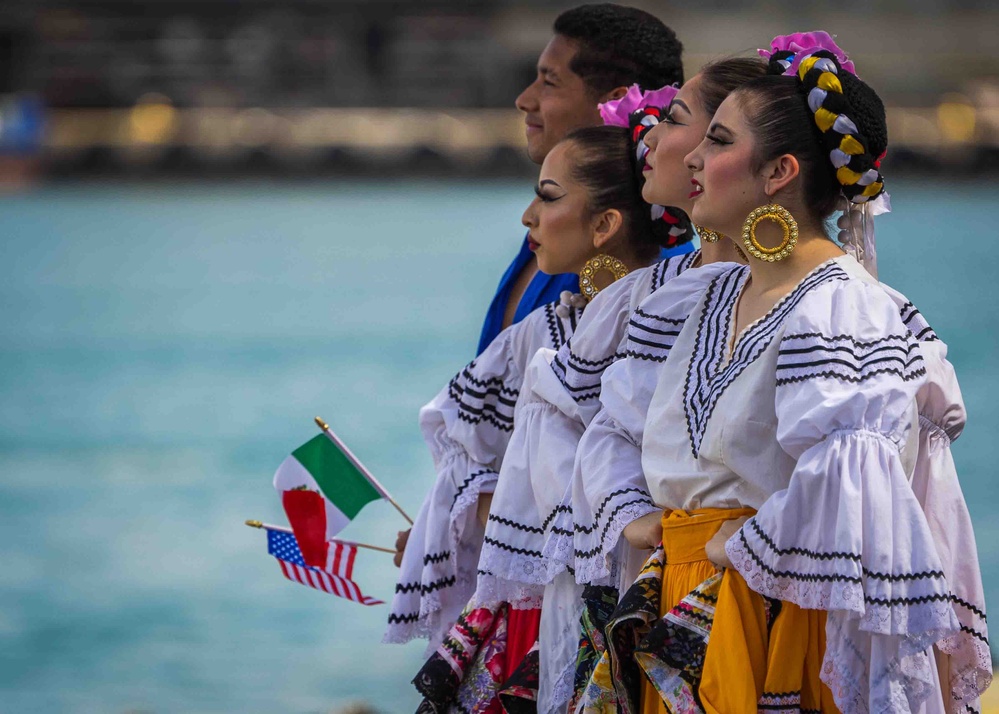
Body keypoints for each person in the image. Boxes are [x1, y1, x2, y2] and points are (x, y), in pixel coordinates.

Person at [570, 36, 990, 713]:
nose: (695, 159)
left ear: (778, 173)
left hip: (771, 615)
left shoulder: (838, 306)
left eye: (717, 140)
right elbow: (616, 422)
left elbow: (854, 484)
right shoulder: (700, 296)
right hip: (678, 602)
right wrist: (639, 518)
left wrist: (737, 544)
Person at [467, 57, 765, 714]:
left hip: (726, 584)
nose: (651, 138)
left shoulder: (795, 302)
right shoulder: (632, 301)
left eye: (690, 127)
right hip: (642, 579)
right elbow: (589, 437)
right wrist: (631, 516)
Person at [402, 110, 699, 711]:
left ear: (606, 224)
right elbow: (462, 451)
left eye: (548, 197)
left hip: (655, 603)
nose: (528, 216)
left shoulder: (681, 318)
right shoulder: (536, 335)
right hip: (547, 608)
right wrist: (473, 522)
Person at [476, 3, 690, 356]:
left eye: (549, 82)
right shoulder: (552, 235)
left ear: (617, 100)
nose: (524, 99)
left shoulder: (659, 269)